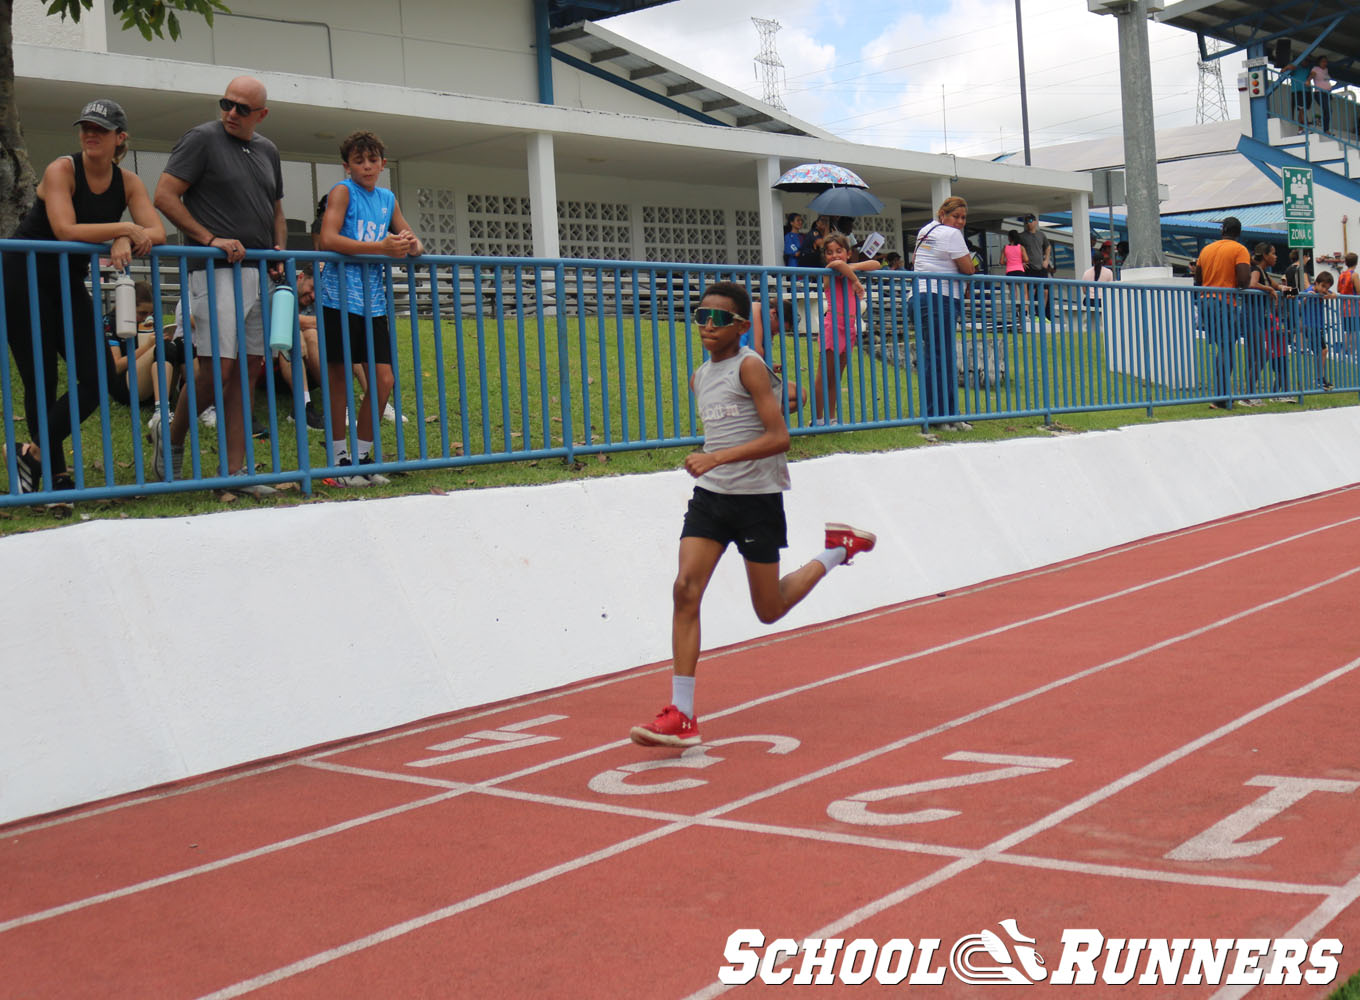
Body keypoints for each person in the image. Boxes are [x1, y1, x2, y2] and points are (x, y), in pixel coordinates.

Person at [629, 281, 876, 748]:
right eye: (701, 316)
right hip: (711, 498)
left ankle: (836, 552)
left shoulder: (751, 367)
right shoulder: (700, 376)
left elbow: (779, 437)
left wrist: (716, 457)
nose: (707, 325)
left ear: (741, 327)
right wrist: (713, 466)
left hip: (757, 499)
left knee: (769, 609)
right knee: (685, 590)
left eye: (719, 319)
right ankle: (682, 714)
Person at [2, 98, 165, 493]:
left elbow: (156, 232)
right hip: (23, 275)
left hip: (66, 280)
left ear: (119, 139)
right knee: (39, 378)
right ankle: (56, 478)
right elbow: (65, 230)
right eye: (86, 127)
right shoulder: (63, 168)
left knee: (101, 378)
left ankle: (31, 453)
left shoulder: (127, 182)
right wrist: (122, 231)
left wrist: (129, 233)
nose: (91, 134)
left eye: (101, 129)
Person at [152, 76, 286, 497]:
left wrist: (279, 249)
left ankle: (233, 474)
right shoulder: (201, 139)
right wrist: (209, 239)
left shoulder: (268, 150)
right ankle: (172, 436)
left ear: (261, 114)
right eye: (226, 103)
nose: (231, 112)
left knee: (247, 373)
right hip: (213, 269)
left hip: (260, 270)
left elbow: (275, 208)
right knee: (218, 367)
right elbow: (165, 195)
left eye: (242, 108)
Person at [316, 129, 423, 486]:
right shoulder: (342, 192)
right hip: (338, 298)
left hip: (374, 302)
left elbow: (410, 238)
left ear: (382, 164)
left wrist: (410, 244)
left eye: (372, 160)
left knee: (383, 379)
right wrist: (382, 248)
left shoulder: (387, 198)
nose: (366, 166)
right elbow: (328, 238)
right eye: (358, 161)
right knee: (338, 380)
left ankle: (361, 457)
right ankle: (337, 462)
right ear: (347, 166)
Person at [913, 196, 975, 430]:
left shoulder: (926, 230)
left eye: (963, 218)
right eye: (955, 216)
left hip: (922, 297)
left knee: (939, 357)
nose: (960, 221)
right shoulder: (951, 234)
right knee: (941, 358)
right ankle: (938, 416)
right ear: (943, 215)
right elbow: (968, 268)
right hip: (940, 297)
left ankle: (947, 414)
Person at [813, 233, 879, 424]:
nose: (834, 256)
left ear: (849, 253)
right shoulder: (831, 270)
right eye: (829, 252)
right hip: (833, 325)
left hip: (849, 327)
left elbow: (875, 264)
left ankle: (831, 418)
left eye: (839, 251)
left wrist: (854, 268)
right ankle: (817, 418)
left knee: (836, 376)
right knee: (824, 375)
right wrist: (855, 280)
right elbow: (837, 265)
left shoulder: (848, 269)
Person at [1194, 216, 1251, 408]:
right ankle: (1222, 396)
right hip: (1225, 302)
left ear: (1222, 230)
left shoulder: (1206, 249)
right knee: (1227, 348)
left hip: (1205, 302)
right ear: (1238, 233)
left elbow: (1198, 279)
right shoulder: (1239, 249)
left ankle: (1222, 393)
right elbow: (1244, 280)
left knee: (1222, 348)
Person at [103, 279, 184, 408]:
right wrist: (147, 347)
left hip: (149, 383)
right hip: (124, 386)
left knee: (181, 345)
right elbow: (116, 366)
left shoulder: (149, 320)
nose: (147, 317)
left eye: (150, 313)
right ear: (127, 307)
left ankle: (196, 404)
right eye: (142, 313)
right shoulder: (110, 322)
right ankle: (161, 409)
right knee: (164, 348)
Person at [1242, 244, 1286, 402]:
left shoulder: (1265, 273)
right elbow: (1252, 284)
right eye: (1273, 254)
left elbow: (1279, 287)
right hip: (1252, 317)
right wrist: (1269, 290)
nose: (1276, 257)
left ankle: (1251, 395)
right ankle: (1249, 395)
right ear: (1265, 255)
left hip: (1259, 318)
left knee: (1259, 356)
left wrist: (1296, 292)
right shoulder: (1256, 270)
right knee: (1260, 355)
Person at [1299, 270, 1336, 391]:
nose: (1324, 290)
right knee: (1322, 351)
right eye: (1323, 286)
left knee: (1321, 352)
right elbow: (1297, 300)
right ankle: (1320, 379)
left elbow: (1334, 294)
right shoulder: (1309, 291)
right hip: (1309, 326)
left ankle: (1321, 378)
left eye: (1327, 287)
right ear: (1316, 283)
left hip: (1317, 326)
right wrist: (1305, 298)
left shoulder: (1322, 293)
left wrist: (1330, 295)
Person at [1017, 213, 1052, 323]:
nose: (1029, 223)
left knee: (1045, 291)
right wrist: (1021, 262)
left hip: (1041, 267)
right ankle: (1032, 314)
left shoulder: (1041, 235)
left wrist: (1046, 260)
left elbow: (1048, 246)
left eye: (1031, 220)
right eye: (1026, 221)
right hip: (1030, 267)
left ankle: (1041, 314)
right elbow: (1015, 249)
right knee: (1031, 291)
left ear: (1036, 222)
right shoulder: (1022, 236)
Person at [1336, 252, 1359, 357]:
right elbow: (1358, 290)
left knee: (1348, 331)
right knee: (1355, 330)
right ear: (1356, 262)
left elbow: (1338, 289)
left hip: (1344, 307)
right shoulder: (1354, 275)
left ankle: (1343, 352)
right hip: (1354, 307)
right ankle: (1352, 352)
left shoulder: (1342, 275)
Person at [1309, 56, 1334, 132]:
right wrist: (1308, 80)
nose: (1325, 63)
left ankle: (1326, 129)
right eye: (1323, 61)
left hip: (1326, 93)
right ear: (1319, 62)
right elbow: (1312, 75)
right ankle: (1326, 129)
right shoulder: (1315, 69)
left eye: (1326, 61)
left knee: (1329, 110)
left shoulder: (1326, 70)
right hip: (1319, 93)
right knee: (1327, 109)